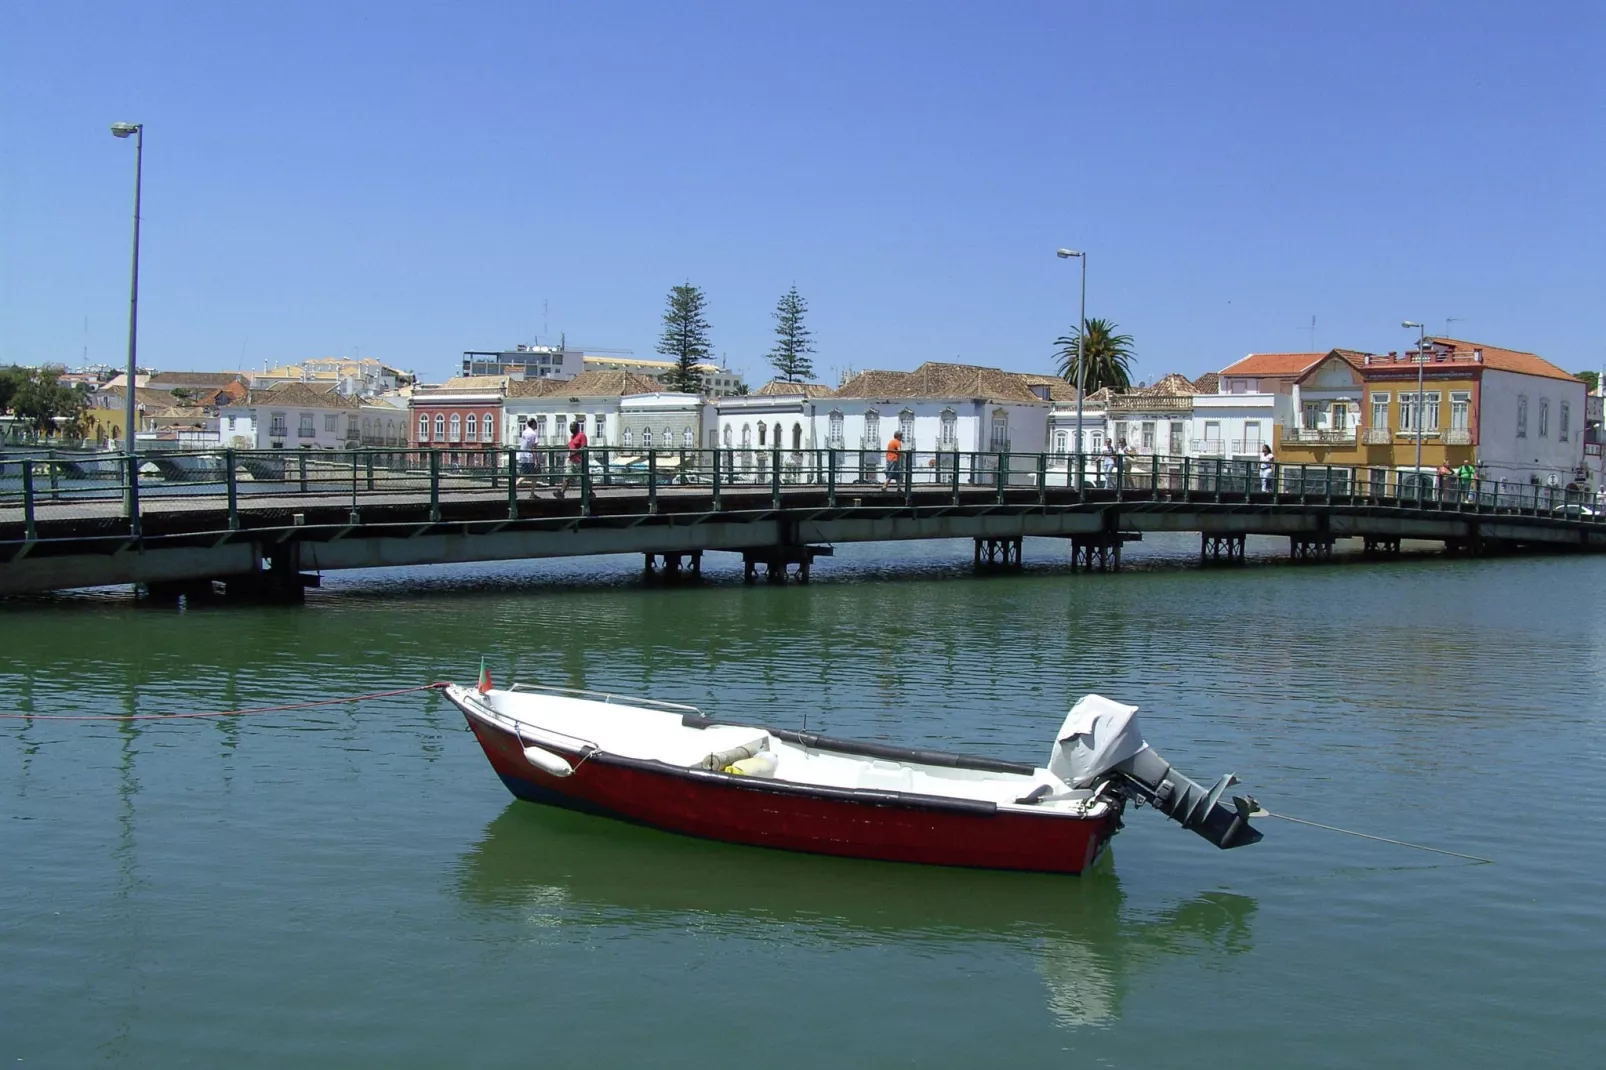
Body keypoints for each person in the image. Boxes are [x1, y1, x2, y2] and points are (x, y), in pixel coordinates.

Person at [554, 420, 586, 499]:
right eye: (570, 427)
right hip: (572, 460)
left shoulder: (582, 435)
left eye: (573, 426)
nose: (571, 428)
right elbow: (570, 445)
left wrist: (575, 453)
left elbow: (584, 447)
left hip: (580, 461)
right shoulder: (572, 437)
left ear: (577, 427)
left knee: (584, 478)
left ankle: (591, 492)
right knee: (567, 476)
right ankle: (561, 493)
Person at [517, 418, 539, 493]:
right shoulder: (533, 434)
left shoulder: (524, 432)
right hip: (529, 457)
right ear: (533, 424)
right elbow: (534, 448)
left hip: (522, 455)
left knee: (532, 476)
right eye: (536, 423)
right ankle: (513, 488)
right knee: (526, 475)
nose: (537, 425)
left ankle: (532, 494)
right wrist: (536, 460)